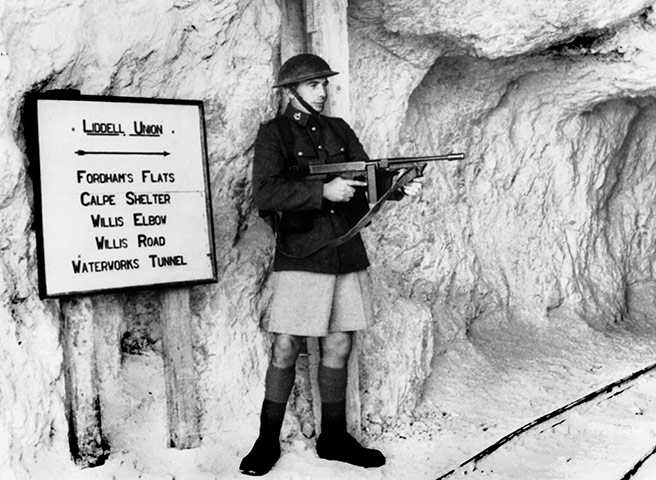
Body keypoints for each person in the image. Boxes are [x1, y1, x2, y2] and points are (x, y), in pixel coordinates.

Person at [241, 53, 421, 476]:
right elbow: (265, 194)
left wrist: (396, 187)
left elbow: (364, 184)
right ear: (290, 92)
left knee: (339, 343)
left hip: (344, 251)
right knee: (286, 345)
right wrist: (322, 192)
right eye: (312, 85)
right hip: (302, 253)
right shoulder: (275, 134)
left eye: (324, 84)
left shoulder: (340, 130)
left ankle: (334, 438)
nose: (322, 92)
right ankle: (266, 440)